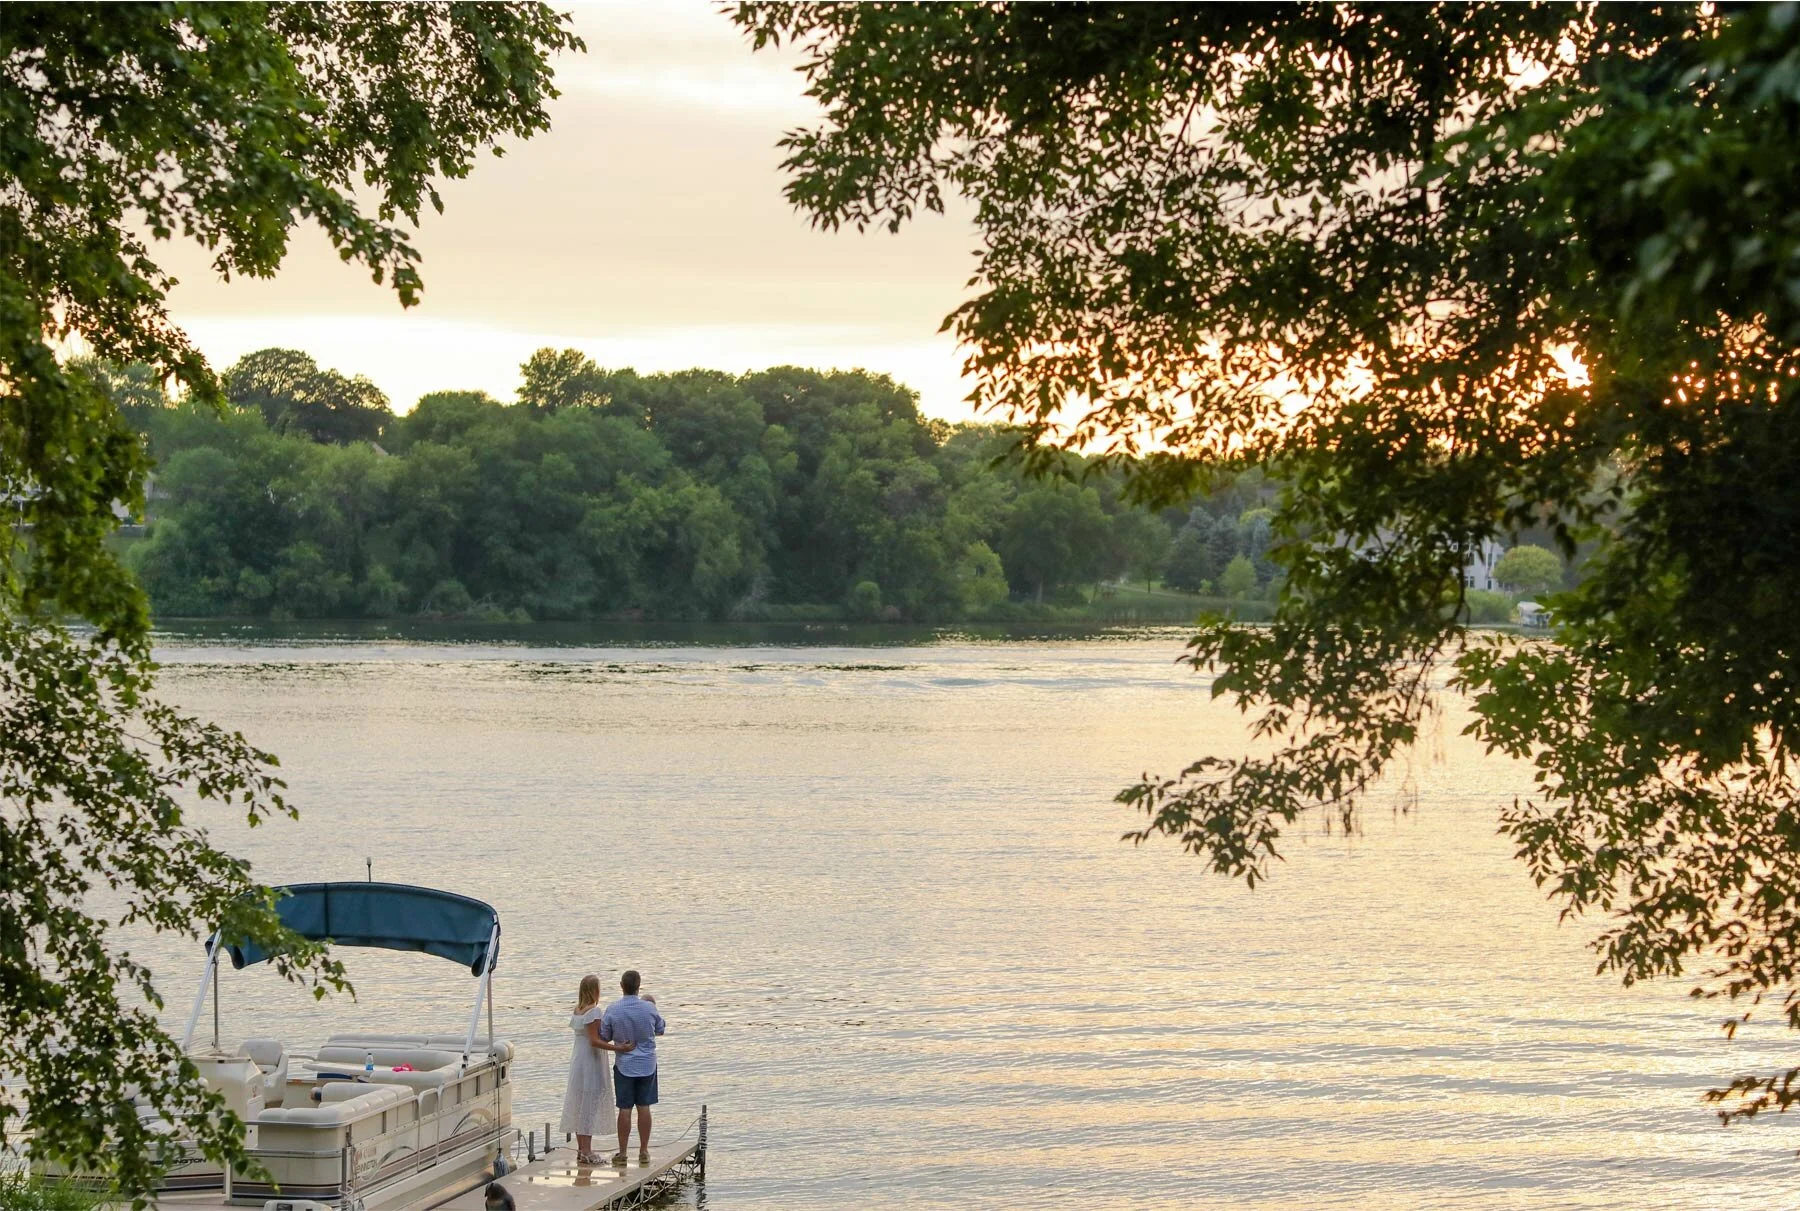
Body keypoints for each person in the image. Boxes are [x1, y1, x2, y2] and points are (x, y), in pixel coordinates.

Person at [559, 974, 635, 1164]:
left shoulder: (578, 1010)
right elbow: (595, 1041)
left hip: (578, 1059)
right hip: (591, 1061)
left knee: (580, 1102)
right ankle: (587, 1150)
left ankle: (581, 1149)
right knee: (589, 1104)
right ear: (595, 990)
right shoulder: (594, 1011)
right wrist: (620, 1047)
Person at [600, 969, 665, 1165]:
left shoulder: (613, 1009)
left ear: (622, 986)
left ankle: (623, 1153)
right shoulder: (649, 1008)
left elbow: (604, 1036)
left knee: (625, 1108)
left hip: (625, 1065)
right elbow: (660, 1029)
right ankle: (644, 1151)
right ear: (639, 986)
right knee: (644, 1107)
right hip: (647, 1064)